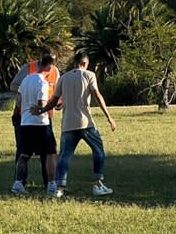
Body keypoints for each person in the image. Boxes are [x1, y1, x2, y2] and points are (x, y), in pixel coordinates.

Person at [32, 51, 117, 198]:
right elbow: (97, 95)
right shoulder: (89, 75)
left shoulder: (63, 78)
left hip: (67, 124)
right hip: (85, 123)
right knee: (98, 151)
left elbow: (53, 100)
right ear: (84, 63)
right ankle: (98, 184)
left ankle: (59, 188)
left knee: (64, 156)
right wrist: (109, 117)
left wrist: (42, 110)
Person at [10, 47, 60, 188]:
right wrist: (41, 108)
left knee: (24, 153)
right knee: (49, 152)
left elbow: (57, 92)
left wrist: (58, 103)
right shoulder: (35, 75)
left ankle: (18, 184)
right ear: (48, 63)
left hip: (28, 119)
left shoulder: (27, 80)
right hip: (39, 119)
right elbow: (40, 104)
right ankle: (51, 184)